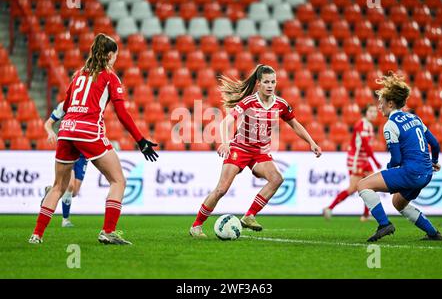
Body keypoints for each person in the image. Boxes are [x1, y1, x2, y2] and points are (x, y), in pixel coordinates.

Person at [29, 33, 159, 245]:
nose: (116, 59)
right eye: (115, 55)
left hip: (67, 129)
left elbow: (68, 106)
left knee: (58, 187)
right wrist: (140, 140)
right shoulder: (110, 77)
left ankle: (36, 235)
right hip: (89, 131)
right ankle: (108, 232)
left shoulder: (78, 75)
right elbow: (122, 113)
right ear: (109, 55)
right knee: (118, 180)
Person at [190, 64, 322, 238]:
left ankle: (249, 216)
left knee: (277, 179)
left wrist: (311, 142)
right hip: (240, 148)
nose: (270, 85)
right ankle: (196, 226)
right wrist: (225, 142)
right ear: (259, 83)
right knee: (221, 189)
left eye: (273, 82)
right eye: (266, 82)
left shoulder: (281, 104)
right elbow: (226, 122)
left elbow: (294, 124)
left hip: (260, 151)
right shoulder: (249, 101)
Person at [357, 72, 442, 242]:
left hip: (411, 172)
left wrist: (390, 169)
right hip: (426, 174)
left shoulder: (391, 124)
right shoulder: (415, 118)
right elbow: (435, 144)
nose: (379, 106)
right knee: (398, 203)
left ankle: (384, 224)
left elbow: (396, 160)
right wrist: (433, 162)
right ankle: (434, 234)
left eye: (381, 103)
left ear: (390, 103)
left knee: (363, 185)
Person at [323, 104, 382, 221]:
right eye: (371, 111)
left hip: (364, 160)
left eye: (375, 112)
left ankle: (365, 215)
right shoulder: (362, 125)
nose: (374, 114)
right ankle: (329, 208)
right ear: (366, 112)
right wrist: (375, 161)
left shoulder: (369, 125)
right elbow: (365, 145)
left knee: (371, 186)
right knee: (352, 189)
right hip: (356, 161)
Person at [43, 101, 88, 228]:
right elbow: (48, 123)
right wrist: (51, 132)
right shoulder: (66, 104)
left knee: (74, 192)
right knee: (70, 186)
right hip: (69, 147)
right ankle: (65, 220)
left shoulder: (92, 101)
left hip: (83, 152)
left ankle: (50, 191)